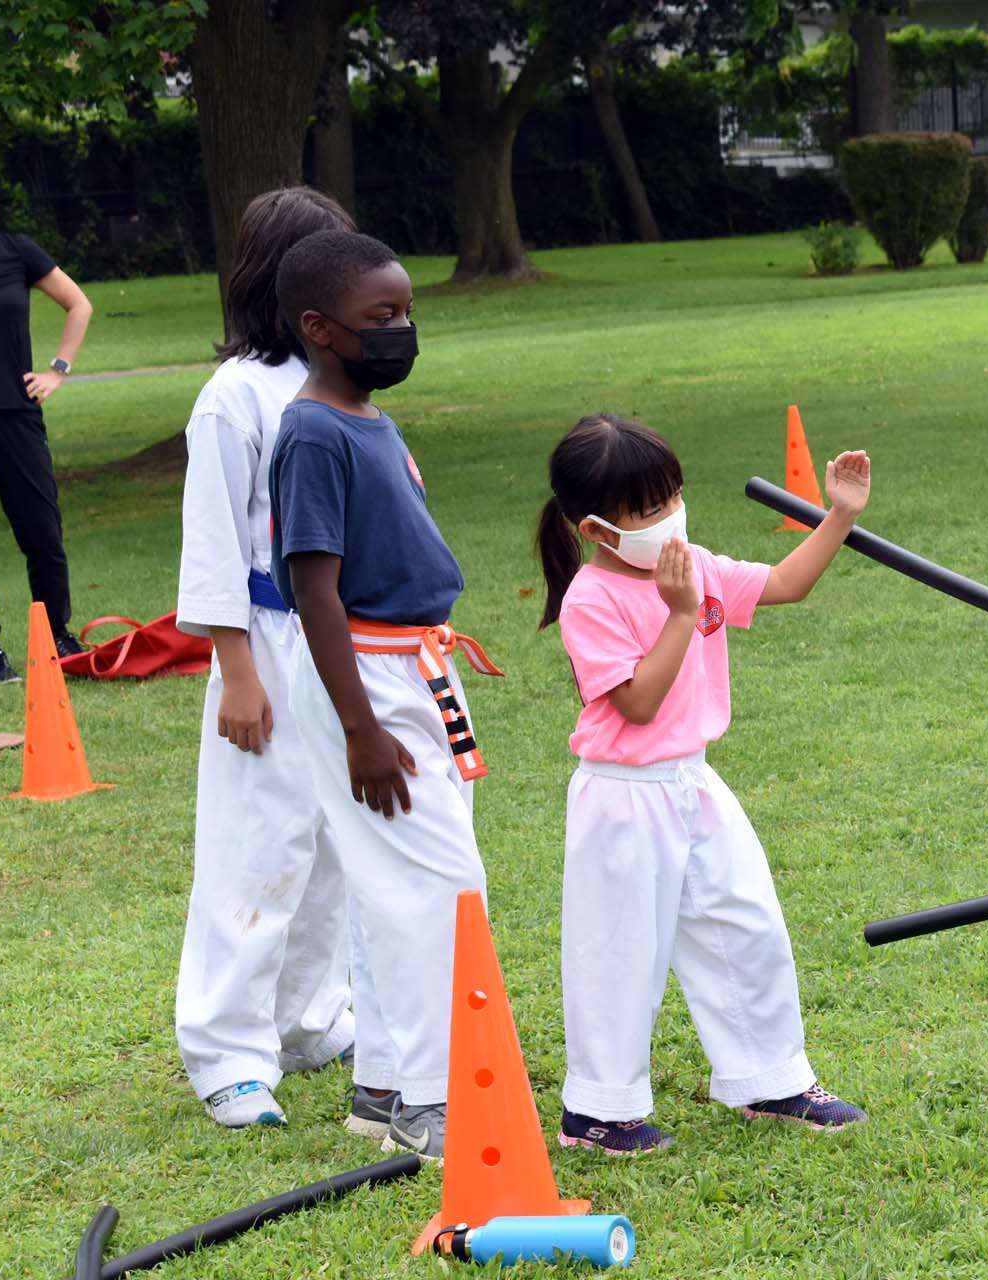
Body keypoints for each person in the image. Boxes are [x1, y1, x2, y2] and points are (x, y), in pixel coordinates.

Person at [534, 413, 870, 1154]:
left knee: (744, 923)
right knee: (620, 950)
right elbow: (638, 702)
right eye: (649, 509)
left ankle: (770, 1080)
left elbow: (785, 583)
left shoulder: (696, 565)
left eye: (672, 496)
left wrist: (838, 515)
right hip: (624, 795)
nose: (670, 517)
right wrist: (682, 615)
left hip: (694, 782)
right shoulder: (593, 600)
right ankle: (599, 1109)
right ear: (597, 528)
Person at [270, 229, 495, 1159]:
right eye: (381, 318)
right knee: (441, 889)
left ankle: (387, 1085)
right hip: (367, 675)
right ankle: (436, 1100)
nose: (403, 329)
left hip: (416, 664)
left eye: (407, 312)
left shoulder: (370, 418)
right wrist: (361, 728)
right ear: (321, 328)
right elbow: (311, 588)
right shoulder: (312, 431)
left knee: (406, 879)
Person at [173, 187, 386, 1132]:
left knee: (335, 843)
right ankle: (227, 1050)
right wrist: (239, 672)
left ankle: (306, 1019)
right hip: (262, 639)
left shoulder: (340, 383)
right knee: (256, 847)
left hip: (338, 639)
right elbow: (216, 543)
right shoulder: (234, 397)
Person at [0, 141, 94, 682]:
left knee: (43, 536)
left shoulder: (16, 250)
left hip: (17, 417)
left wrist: (57, 368)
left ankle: (57, 634)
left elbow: (79, 304)